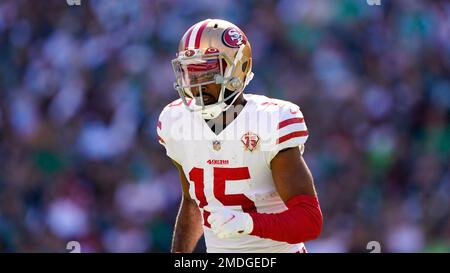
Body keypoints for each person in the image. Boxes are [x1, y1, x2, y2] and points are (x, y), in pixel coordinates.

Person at [157, 19, 323, 253]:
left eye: (207, 71)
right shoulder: (176, 122)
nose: (197, 84)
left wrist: (248, 224)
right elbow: (193, 202)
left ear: (238, 67)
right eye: (190, 71)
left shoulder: (270, 121)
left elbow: (309, 222)